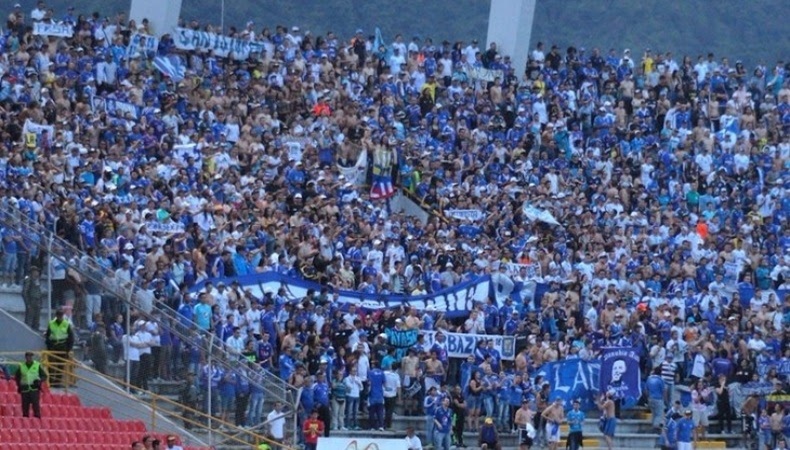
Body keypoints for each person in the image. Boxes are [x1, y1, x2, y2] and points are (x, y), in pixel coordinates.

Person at [44, 308, 74, 387]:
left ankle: (57, 382)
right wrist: (49, 346)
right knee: (51, 365)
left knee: (61, 365)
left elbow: (71, 338)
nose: (60, 317)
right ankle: (50, 381)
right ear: (56, 316)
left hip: (63, 346)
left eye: (61, 315)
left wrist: (68, 349)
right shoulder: (51, 323)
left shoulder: (66, 324)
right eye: (59, 315)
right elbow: (47, 336)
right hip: (53, 346)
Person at [15, 351, 47, 418]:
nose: (29, 358)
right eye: (28, 356)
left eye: (30, 356)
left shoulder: (37, 365)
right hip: (25, 389)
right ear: (25, 357)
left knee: (35, 405)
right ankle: (25, 420)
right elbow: (17, 377)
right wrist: (19, 385)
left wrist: (39, 381)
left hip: (34, 388)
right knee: (25, 406)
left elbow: (44, 376)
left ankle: (37, 419)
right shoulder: (22, 366)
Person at [21, 266, 43, 331]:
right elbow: (24, 292)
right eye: (36, 271)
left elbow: (39, 292)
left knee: (36, 320)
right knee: (29, 320)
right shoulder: (28, 279)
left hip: (37, 301)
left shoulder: (37, 280)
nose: (37, 273)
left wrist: (40, 302)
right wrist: (27, 303)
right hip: (31, 301)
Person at [383, 362, 401, 429]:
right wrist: (399, 397)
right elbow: (398, 387)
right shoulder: (396, 376)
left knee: (385, 410)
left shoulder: (385, 373)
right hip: (392, 395)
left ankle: (384, 424)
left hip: (384, 393)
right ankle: (387, 425)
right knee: (390, 411)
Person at [368, 362, 385, 431]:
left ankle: (372, 427)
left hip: (372, 394)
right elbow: (384, 382)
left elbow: (369, 383)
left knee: (372, 412)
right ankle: (381, 426)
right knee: (380, 412)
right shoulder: (382, 373)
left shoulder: (370, 372)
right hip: (380, 394)